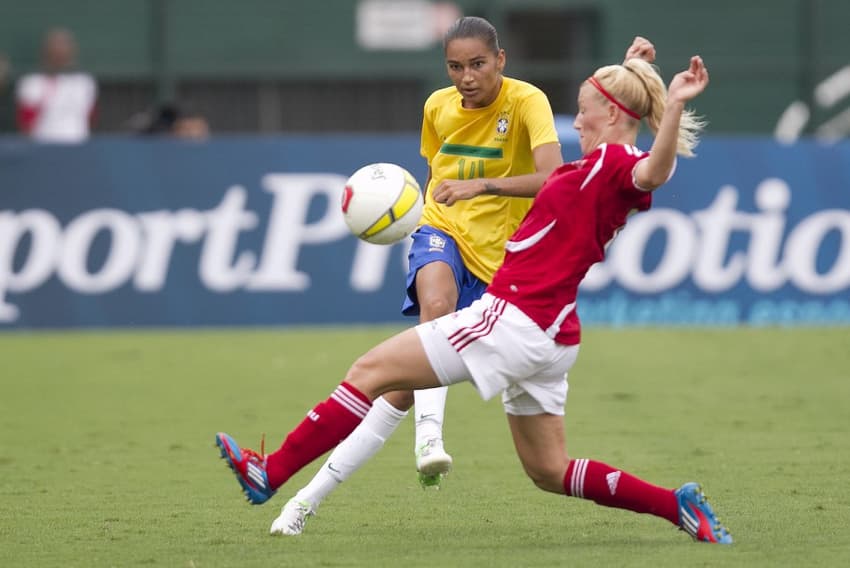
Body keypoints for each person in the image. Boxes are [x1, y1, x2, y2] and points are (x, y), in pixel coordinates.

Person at [216, 50, 732, 544]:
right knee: (550, 471)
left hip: (514, 319)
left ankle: (272, 472)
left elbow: (653, 171)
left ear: (614, 114)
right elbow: (623, 146)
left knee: (368, 372)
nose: (574, 121)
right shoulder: (596, 167)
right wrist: (629, 67)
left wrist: (676, 105)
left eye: (582, 110)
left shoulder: (618, 165)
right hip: (552, 334)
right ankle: (677, 506)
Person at [15, 28, 97, 143]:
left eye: (64, 45)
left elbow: (90, 117)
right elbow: (26, 121)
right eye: (56, 46)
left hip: (78, 146)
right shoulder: (32, 82)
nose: (60, 51)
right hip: (43, 146)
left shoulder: (84, 82)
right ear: (46, 51)